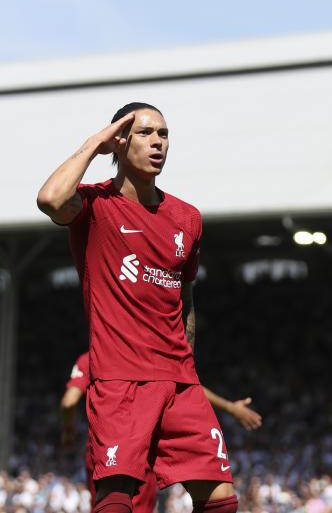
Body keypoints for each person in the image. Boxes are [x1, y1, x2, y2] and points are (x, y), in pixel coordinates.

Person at [38, 102, 238, 513]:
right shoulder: (95, 206)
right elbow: (49, 199)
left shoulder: (187, 218)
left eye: (164, 134)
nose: (158, 143)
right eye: (146, 133)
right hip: (119, 380)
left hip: (178, 379)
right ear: (121, 140)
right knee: (117, 500)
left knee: (221, 498)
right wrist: (95, 143)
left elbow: (186, 300)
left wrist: (189, 366)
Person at [60, 351, 263, 511]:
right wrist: (230, 408)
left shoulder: (91, 358)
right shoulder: (151, 350)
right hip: (147, 441)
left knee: (114, 500)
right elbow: (184, 386)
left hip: (117, 444)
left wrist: (68, 432)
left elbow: (69, 402)